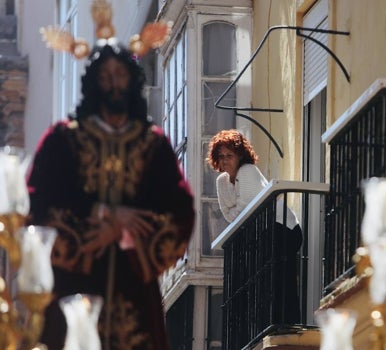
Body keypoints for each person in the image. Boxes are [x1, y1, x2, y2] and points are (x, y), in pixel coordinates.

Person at [28, 37, 195, 349]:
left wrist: (126, 232)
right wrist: (99, 218)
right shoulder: (63, 140)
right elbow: (36, 203)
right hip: (72, 287)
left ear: (133, 81)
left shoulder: (153, 146)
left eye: (121, 75)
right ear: (93, 82)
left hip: (133, 292)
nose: (114, 83)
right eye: (106, 76)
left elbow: (180, 210)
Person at [206, 129, 302, 324]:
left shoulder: (247, 171)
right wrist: (238, 209)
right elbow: (228, 214)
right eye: (221, 156)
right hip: (263, 231)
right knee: (266, 281)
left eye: (229, 155)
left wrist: (238, 209)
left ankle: (289, 323)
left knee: (282, 280)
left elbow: (244, 209)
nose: (225, 160)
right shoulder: (222, 181)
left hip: (283, 228)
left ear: (240, 155)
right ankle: (273, 323)